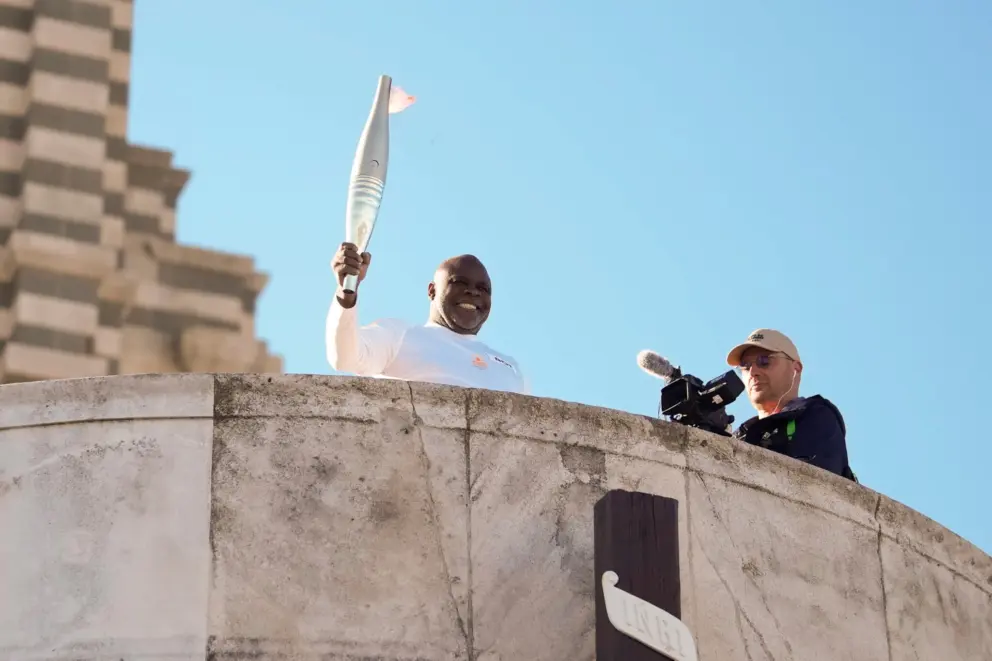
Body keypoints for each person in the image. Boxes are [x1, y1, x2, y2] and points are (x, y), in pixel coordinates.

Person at [325, 242, 529, 394]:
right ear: (432, 290)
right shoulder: (398, 335)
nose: (473, 292)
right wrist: (346, 291)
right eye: (459, 282)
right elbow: (345, 358)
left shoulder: (511, 368)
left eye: (483, 288)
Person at [726, 329, 856, 481]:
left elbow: (815, 484)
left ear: (796, 369)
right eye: (745, 366)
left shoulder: (815, 415)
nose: (753, 371)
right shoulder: (740, 435)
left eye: (764, 360)